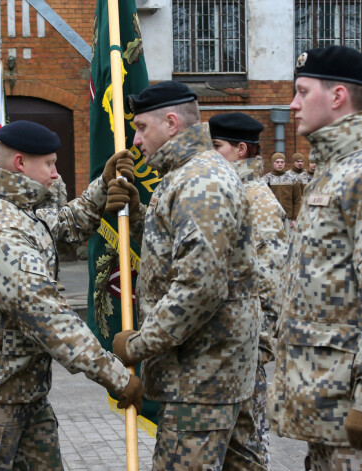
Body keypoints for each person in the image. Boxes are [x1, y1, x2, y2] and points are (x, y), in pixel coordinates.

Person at [0, 120, 143, 470]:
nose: (55, 174)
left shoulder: (25, 209)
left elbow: (64, 226)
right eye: (48, 164)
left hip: (26, 397)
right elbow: (48, 317)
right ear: (20, 164)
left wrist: (103, 187)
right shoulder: (0, 227)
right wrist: (116, 376)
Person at [268, 46, 362, 470]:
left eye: (302, 91)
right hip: (325, 404)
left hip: (355, 408)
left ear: (336, 96)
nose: (292, 104)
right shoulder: (334, 170)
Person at [109, 81, 260, 471]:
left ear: (171, 123)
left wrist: (140, 344)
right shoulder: (186, 175)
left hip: (201, 377)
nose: (136, 141)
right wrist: (140, 215)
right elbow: (178, 252)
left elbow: (200, 287)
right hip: (212, 372)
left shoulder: (200, 181)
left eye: (141, 127)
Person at [209, 112, 288, 471]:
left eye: (216, 147)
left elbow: (271, 285)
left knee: (248, 449)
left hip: (247, 351)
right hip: (226, 347)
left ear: (241, 150)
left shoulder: (258, 202)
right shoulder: (228, 194)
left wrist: (259, 349)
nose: (210, 155)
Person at [262, 152, 301, 228]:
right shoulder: (265, 179)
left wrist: (295, 219)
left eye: (282, 162)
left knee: (289, 239)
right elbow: (263, 201)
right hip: (271, 218)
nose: (280, 164)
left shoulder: (293, 179)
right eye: (277, 162)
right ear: (273, 163)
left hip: (288, 219)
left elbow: (297, 200)